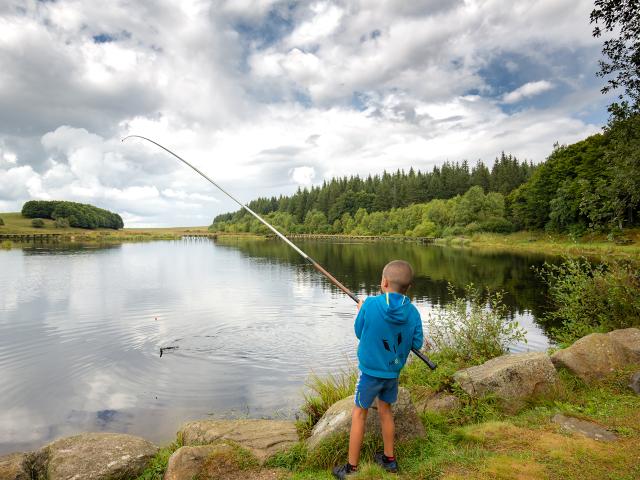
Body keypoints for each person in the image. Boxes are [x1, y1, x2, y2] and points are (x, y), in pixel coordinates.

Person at [333, 260, 424, 479]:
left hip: (369, 374)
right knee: (386, 412)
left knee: (359, 414)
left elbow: (358, 332)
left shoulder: (371, 305)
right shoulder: (412, 312)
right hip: (392, 374)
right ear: (408, 288)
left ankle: (351, 468)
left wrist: (361, 310)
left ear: (383, 282)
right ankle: (389, 460)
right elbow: (417, 343)